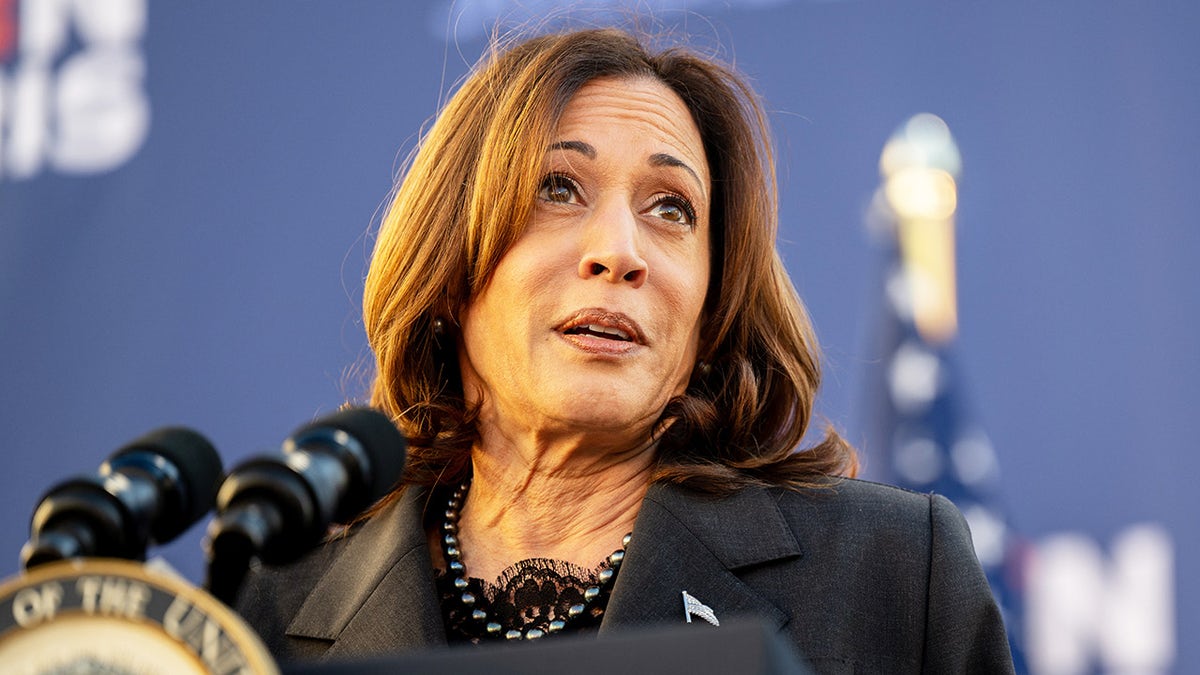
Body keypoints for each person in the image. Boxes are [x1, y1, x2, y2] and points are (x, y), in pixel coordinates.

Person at [236, 27, 1014, 672]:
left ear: (712, 307)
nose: (618, 250)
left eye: (671, 208)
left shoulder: (895, 576)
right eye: (558, 188)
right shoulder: (270, 602)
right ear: (449, 267)